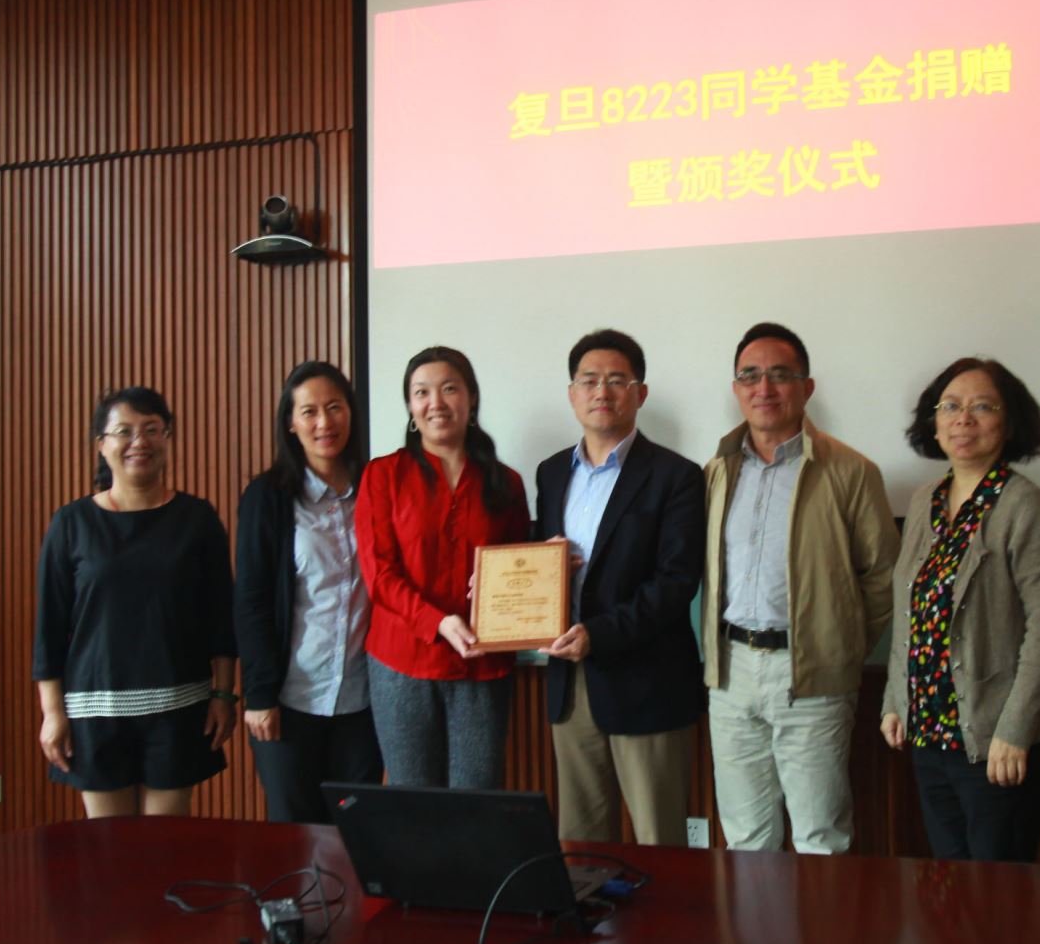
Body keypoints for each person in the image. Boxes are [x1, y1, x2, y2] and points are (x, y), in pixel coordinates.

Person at [700, 322, 898, 854]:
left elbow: (883, 577)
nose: (764, 388)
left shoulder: (852, 471)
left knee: (820, 837)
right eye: (750, 376)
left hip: (812, 675)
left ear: (806, 387)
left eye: (780, 375)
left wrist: (839, 645)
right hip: (730, 672)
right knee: (746, 838)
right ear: (736, 389)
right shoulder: (716, 472)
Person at [880, 357, 1040, 862]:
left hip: (995, 745)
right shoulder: (924, 501)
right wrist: (895, 699)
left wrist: (1015, 731)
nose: (963, 418)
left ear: (1009, 424)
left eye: (983, 407)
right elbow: (909, 609)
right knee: (948, 889)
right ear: (934, 423)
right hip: (928, 736)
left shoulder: (1024, 506)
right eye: (950, 406)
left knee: (996, 896)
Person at [534, 329, 705, 846]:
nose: (601, 392)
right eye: (589, 380)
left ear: (640, 393)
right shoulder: (550, 473)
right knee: (581, 841)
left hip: (646, 681)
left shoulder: (676, 476)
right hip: (570, 682)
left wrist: (599, 634)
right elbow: (537, 567)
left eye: (616, 380)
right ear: (572, 393)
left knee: (659, 840)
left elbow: (676, 581)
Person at [32, 387, 237, 817]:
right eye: (124, 431)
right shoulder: (71, 523)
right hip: (94, 711)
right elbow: (49, 626)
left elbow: (221, 617)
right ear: (101, 444)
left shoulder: (197, 519)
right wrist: (52, 713)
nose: (139, 442)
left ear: (167, 438)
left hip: (178, 707)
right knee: (109, 846)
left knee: (166, 845)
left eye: (151, 429)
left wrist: (223, 694)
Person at [355, 346, 530, 788]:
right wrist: (437, 621)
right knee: (413, 800)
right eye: (422, 392)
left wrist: (542, 567)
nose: (436, 402)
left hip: (482, 664)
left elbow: (518, 568)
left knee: (476, 799)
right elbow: (379, 575)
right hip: (401, 662)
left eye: (449, 389)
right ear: (411, 407)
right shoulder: (383, 476)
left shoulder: (506, 482)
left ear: (472, 398)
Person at [234, 361, 384, 822]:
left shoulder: (377, 488)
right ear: (290, 423)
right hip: (290, 700)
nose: (325, 422)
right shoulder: (267, 497)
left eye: (335, 407)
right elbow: (252, 602)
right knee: (294, 835)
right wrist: (259, 695)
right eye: (310, 411)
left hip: (363, 701)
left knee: (354, 834)